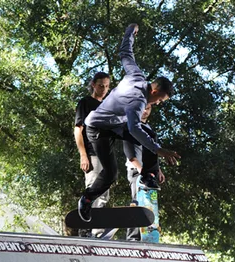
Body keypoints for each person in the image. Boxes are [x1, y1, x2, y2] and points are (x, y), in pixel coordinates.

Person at [77, 23, 180, 222]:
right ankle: (87, 198)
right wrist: (159, 151)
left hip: (114, 124)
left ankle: (148, 175)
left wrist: (130, 32)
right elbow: (134, 130)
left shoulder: (137, 75)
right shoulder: (138, 102)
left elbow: (125, 53)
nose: (157, 104)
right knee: (111, 174)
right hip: (97, 129)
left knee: (149, 132)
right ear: (155, 91)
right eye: (159, 100)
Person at [74, 72, 111, 237]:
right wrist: (83, 155)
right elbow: (78, 129)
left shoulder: (108, 106)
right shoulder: (85, 103)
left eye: (107, 86)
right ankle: (86, 230)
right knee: (93, 190)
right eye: (101, 85)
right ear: (93, 85)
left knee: (103, 195)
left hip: (106, 156)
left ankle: (97, 230)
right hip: (92, 154)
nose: (104, 89)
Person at [125, 105, 165, 241]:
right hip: (137, 171)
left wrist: (158, 170)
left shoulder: (149, 129)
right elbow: (130, 153)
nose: (145, 111)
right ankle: (132, 238)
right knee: (137, 202)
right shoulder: (132, 127)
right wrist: (141, 170)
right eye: (143, 108)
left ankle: (148, 234)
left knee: (149, 203)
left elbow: (153, 152)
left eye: (148, 108)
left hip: (149, 173)